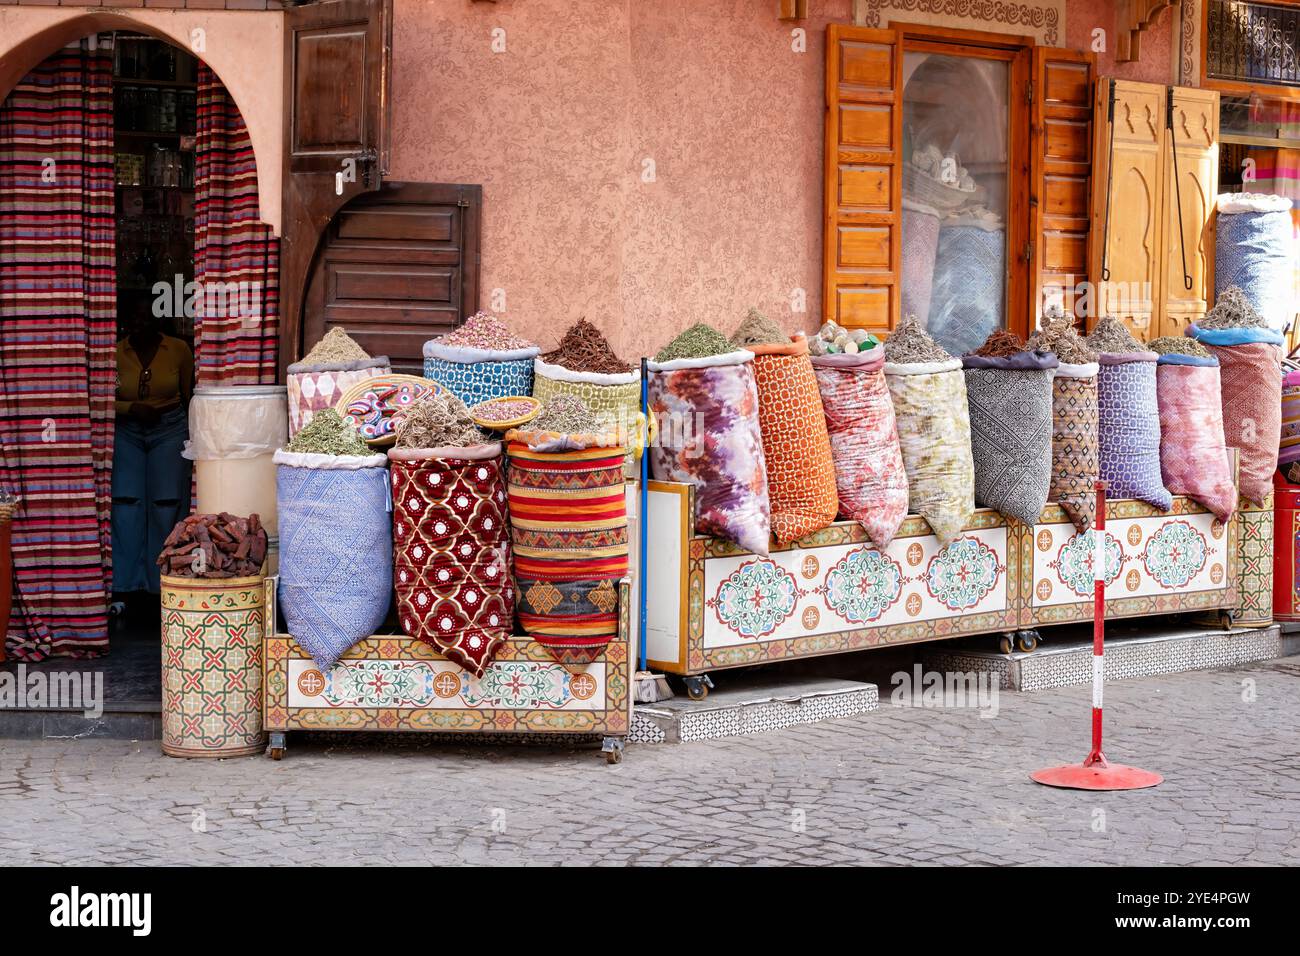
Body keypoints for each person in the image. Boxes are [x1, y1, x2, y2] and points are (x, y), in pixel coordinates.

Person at [112, 307, 194, 595]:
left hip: (169, 427)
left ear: (158, 320)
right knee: (126, 505)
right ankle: (124, 585)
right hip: (126, 430)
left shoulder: (178, 349)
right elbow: (102, 398)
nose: (139, 322)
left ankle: (164, 583)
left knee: (166, 503)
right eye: (133, 317)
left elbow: (189, 393)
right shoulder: (114, 352)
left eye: (145, 316)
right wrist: (129, 408)